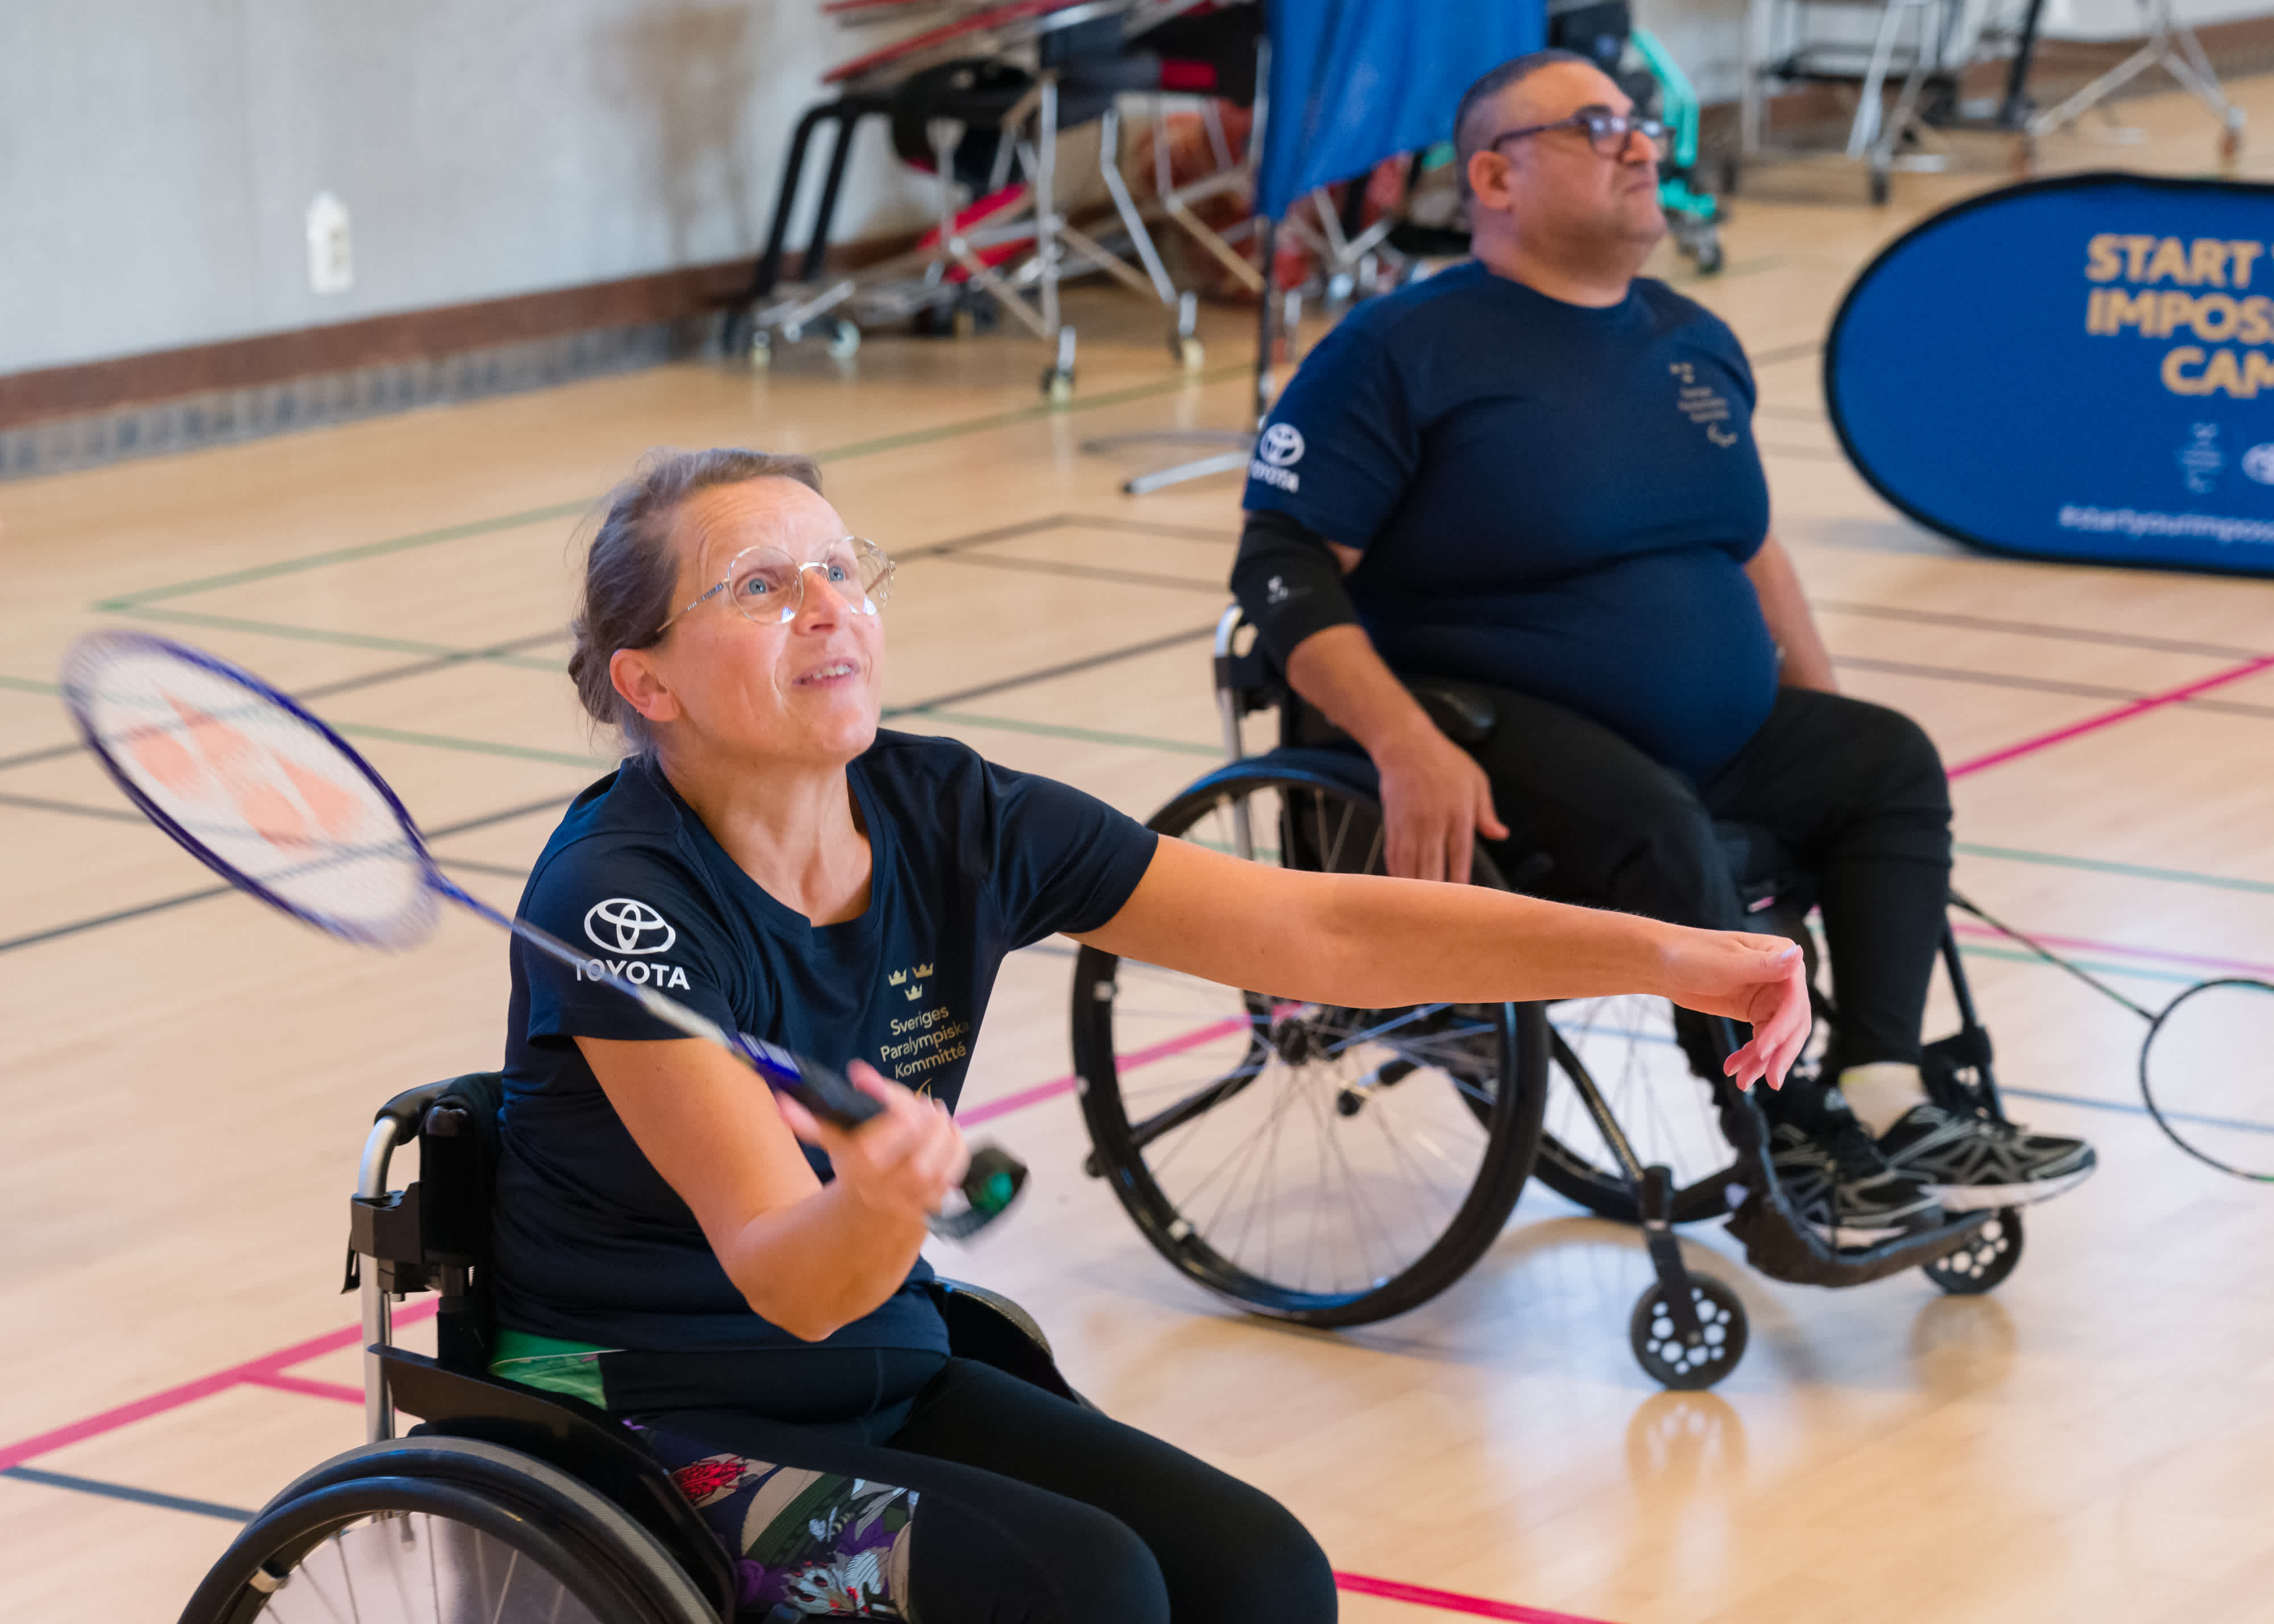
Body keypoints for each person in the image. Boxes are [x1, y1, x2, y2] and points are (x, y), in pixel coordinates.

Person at [491, 447, 1813, 1624]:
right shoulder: (621, 905)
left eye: (841, 567)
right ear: (643, 681)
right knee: (1088, 1592)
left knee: (1262, 1573)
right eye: (760, 586)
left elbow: (1321, 935)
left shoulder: (952, 811)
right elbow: (794, 1276)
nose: (829, 605)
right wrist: (884, 1203)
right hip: (657, 1420)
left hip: (880, 1371)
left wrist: (1666, 955)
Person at [1230, 49, 2095, 1246]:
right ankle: (1783, 1133)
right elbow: (1276, 568)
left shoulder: (1692, 339)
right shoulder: (1396, 352)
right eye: (1596, 127)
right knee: (1654, 824)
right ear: (1492, 173)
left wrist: (1814, 724)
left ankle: (1886, 1093)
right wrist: (1400, 739)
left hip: (1698, 736)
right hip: (1492, 732)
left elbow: (1751, 549)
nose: (1641, 143)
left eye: (1637, 122)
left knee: (1880, 762)